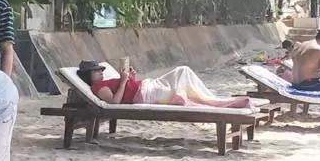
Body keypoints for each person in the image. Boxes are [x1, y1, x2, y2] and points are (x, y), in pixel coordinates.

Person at [86, 60, 256, 110]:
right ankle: (223, 103)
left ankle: (213, 100)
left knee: (183, 71)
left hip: (147, 86)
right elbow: (114, 103)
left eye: (101, 70)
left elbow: (124, 90)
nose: (100, 72)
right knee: (181, 87)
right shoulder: (98, 88)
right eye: (96, 71)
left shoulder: (104, 82)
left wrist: (131, 77)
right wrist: (123, 81)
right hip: (145, 95)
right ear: (90, 76)